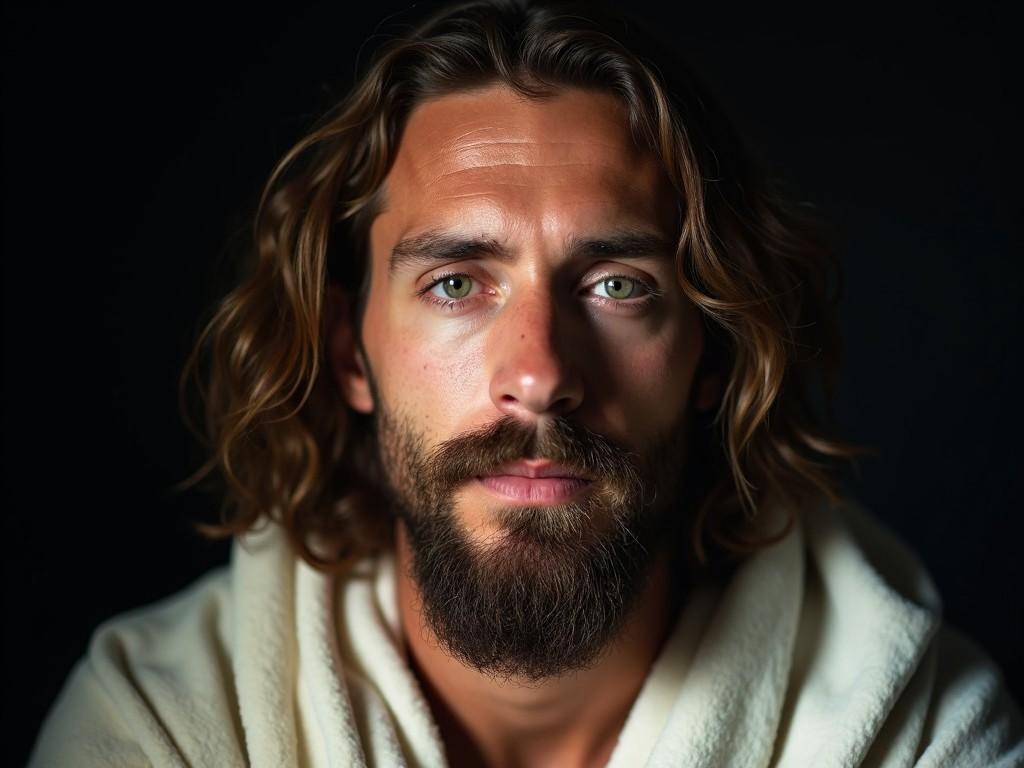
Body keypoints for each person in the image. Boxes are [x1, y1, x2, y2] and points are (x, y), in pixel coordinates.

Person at [27, 1, 1023, 766]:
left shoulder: (915, 728)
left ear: (714, 355)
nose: (540, 376)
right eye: (456, 284)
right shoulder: (157, 728)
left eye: (617, 285)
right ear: (346, 354)